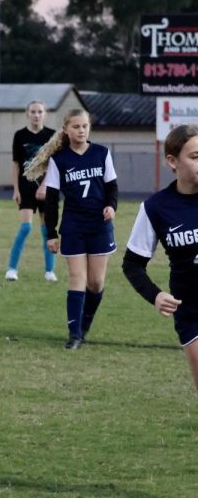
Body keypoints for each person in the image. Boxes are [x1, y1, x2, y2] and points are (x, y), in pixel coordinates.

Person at [23, 108, 117, 350]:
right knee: (77, 277)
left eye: (85, 126)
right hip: (74, 226)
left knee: (96, 283)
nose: (81, 130)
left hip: (99, 226)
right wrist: (52, 233)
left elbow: (112, 187)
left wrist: (110, 206)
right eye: (76, 126)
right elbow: (51, 200)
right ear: (66, 129)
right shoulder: (59, 159)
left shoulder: (101, 153)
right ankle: (74, 334)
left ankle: (84, 325)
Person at [122, 124, 198, 391]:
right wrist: (155, 295)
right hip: (191, 311)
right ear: (172, 161)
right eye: (195, 156)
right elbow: (132, 264)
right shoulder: (156, 208)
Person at [6, 100, 58, 282]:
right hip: (26, 187)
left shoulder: (52, 135)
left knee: (47, 231)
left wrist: (46, 186)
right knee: (26, 227)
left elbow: (54, 165)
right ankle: (12, 269)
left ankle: (49, 271)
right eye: (33, 112)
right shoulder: (19, 136)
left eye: (40, 112)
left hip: (48, 188)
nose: (37, 115)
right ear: (27, 113)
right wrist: (16, 189)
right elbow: (15, 164)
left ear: (45, 114)